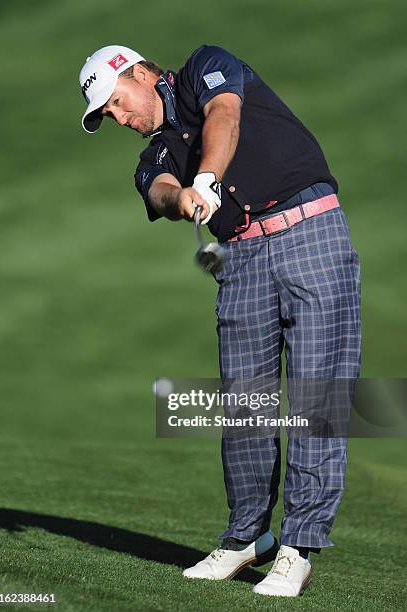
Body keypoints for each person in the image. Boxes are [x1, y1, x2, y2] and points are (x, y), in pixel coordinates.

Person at [78, 44, 361, 598]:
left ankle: (297, 547)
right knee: (243, 401)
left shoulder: (204, 68)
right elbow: (156, 191)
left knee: (315, 397)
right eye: (108, 115)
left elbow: (225, 112)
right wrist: (180, 197)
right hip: (242, 257)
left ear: (137, 72)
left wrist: (205, 177)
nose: (119, 118)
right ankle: (245, 536)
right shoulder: (153, 155)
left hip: (311, 232)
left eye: (115, 103)